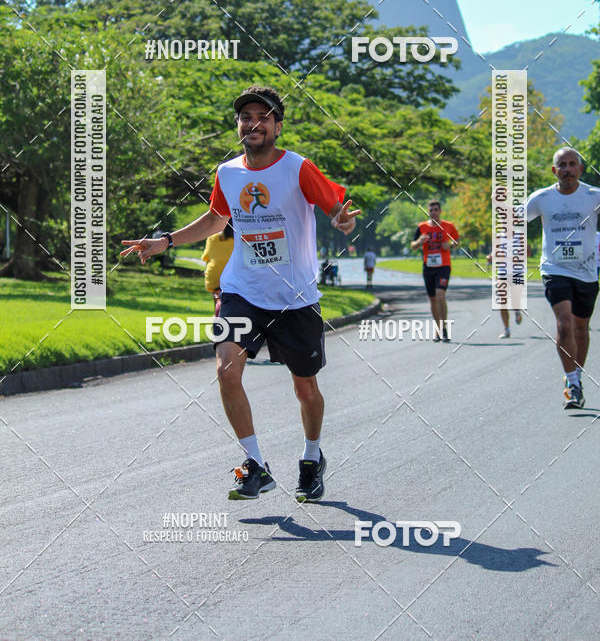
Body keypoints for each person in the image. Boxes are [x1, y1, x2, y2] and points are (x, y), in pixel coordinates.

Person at [122, 85, 360, 501]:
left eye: (263, 117)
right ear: (239, 126)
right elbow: (217, 219)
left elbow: (335, 208)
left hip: (294, 297)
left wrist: (343, 221)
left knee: (305, 388)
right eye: (246, 117)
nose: (253, 123)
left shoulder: (298, 169)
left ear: (277, 127)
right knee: (226, 370)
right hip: (241, 290)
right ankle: (254, 465)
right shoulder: (227, 173)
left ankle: (311, 458)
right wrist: (166, 241)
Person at [527, 147, 600, 409]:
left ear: (580, 169)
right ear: (554, 170)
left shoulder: (594, 196)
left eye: (572, 164)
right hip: (555, 270)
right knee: (564, 324)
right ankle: (572, 383)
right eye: (562, 165)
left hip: (587, 272)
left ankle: (577, 375)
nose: (567, 169)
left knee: (582, 328)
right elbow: (515, 220)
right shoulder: (541, 198)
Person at [410, 200, 459, 342]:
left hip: (443, 266)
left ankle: (444, 327)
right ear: (428, 212)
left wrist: (449, 245)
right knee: (432, 299)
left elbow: (457, 241)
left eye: (436, 209)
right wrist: (419, 241)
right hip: (428, 267)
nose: (433, 212)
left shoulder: (448, 226)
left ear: (440, 211)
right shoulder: (422, 227)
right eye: (431, 210)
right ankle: (439, 329)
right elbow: (413, 245)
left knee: (440, 295)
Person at [202, 222, 234, 316]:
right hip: (232, 277)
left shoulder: (212, 237)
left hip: (214, 276)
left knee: (217, 303)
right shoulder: (239, 239)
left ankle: (217, 319)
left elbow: (206, 257)